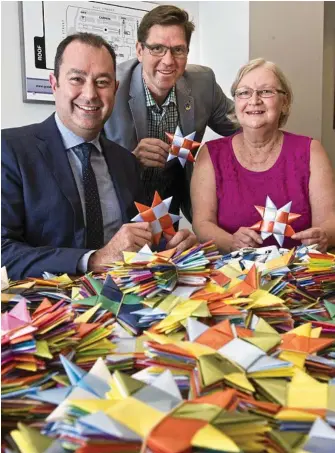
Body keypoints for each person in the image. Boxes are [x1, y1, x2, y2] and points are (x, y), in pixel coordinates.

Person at [1, 33, 196, 281]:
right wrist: (93, 260)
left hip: (123, 303)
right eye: (77, 79)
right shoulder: (10, 150)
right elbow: (3, 251)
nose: (90, 93)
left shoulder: (127, 162)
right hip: (44, 308)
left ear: (115, 89)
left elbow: (141, 240)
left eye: (102, 82)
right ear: (54, 84)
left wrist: (172, 246)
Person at [104, 5, 237, 222]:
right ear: (139, 50)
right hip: (116, 215)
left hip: (167, 216)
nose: (168, 60)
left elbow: (244, 125)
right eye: (157, 48)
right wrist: (129, 161)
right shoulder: (110, 86)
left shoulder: (203, 84)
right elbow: (81, 157)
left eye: (178, 50)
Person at [191, 58, 335, 253]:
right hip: (232, 274)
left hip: (300, 274)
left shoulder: (311, 151)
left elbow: (329, 221)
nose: (254, 100)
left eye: (266, 91)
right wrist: (231, 241)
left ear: (284, 102)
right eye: (244, 93)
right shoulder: (211, 154)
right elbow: (202, 224)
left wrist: (324, 235)